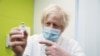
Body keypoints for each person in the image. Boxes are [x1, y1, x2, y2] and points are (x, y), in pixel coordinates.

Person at [9, 4, 85, 56]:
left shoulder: (72, 45)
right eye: (48, 23)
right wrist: (18, 54)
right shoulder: (31, 41)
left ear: (62, 28)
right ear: (43, 24)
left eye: (55, 25)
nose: (50, 28)